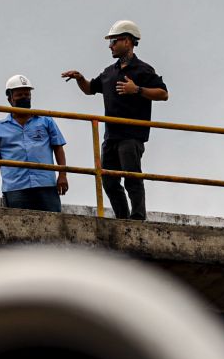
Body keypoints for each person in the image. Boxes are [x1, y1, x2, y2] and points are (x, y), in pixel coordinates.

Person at [61, 20, 168, 220]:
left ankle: (137, 218)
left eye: (114, 41)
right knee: (109, 181)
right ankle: (122, 218)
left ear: (127, 41)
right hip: (111, 136)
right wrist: (79, 79)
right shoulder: (109, 72)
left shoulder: (143, 70)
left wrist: (137, 89)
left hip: (132, 136)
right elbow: (90, 89)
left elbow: (163, 94)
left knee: (132, 177)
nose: (110, 46)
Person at [0, 75, 68, 212]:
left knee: (53, 228)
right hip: (15, 189)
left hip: (45, 186)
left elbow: (58, 148)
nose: (24, 97)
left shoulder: (46, 121)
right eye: (19, 94)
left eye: (27, 94)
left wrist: (62, 175)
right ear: (10, 98)